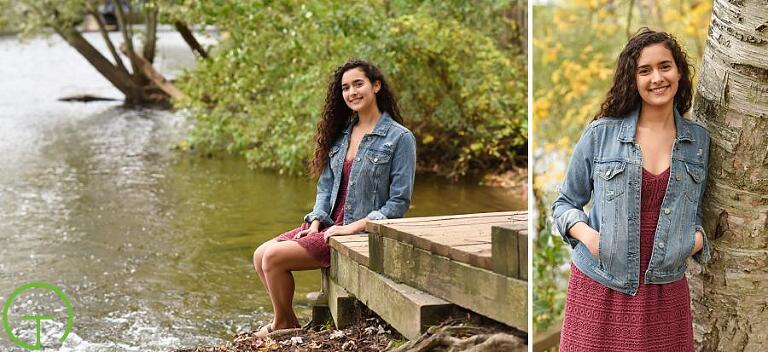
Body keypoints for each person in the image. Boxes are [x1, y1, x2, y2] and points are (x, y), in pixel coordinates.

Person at [552, 28, 711, 351]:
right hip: (600, 285)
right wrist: (591, 238)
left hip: (665, 292)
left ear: (679, 71)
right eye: (645, 70)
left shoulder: (699, 142)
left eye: (665, 66)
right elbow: (565, 203)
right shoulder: (601, 135)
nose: (657, 78)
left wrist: (694, 240)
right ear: (633, 79)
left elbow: (696, 210)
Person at [252, 59, 417, 337]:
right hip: (329, 226)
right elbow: (325, 188)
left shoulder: (400, 138)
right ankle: (288, 321)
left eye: (358, 84)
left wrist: (352, 228)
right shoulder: (343, 135)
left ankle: (283, 325)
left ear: (376, 86)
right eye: (345, 87)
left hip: (360, 232)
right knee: (259, 255)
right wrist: (316, 220)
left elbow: (398, 204)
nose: (351, 92)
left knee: (273, 259)